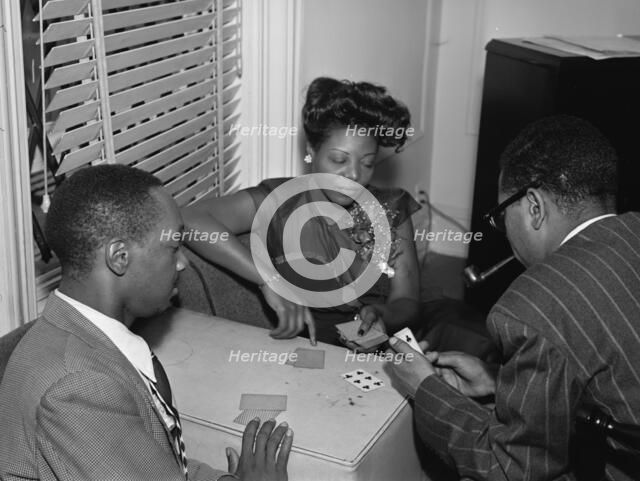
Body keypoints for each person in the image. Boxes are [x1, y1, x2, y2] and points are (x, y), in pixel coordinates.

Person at [0, 165, 293, 481]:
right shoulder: (78, 387)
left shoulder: (84, 336)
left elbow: (152, 462)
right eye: (173, 247)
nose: (182, 263)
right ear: (120, 257)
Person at [386, 115, 640, 479]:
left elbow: (509, 471)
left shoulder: (533, 307)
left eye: (500, 215)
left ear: (534, 206)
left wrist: (425, 389)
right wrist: (498, 381)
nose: (503, 231)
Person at [183, 76, 494, 357]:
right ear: (312, 152)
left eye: (368, 162)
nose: (355, 174)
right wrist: (269, 281)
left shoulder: (390, 207)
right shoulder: (279, 200)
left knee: (482, 346)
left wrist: (384, 314)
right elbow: (192, 219)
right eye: (338, 159)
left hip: (390, 338)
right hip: (317, 345)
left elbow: (407, 300)